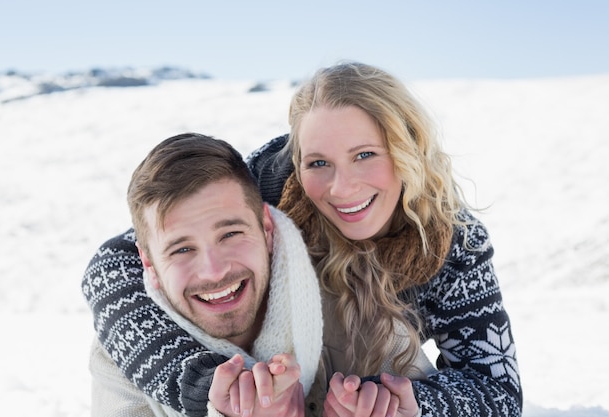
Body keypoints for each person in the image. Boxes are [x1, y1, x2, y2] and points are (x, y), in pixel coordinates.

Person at [83, 61, 522, 417]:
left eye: (365, 155)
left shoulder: (450, 241)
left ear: (408, 147)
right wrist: (207, 386)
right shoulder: (272, 186)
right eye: (318, 163)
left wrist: (414, 404)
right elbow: (115, 267)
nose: (342, 187)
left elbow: (496, 391)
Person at [85, 132, 424, 417]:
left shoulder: (360, 309)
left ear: (266, 228)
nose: (214, 270)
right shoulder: (123, 361)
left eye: (230, 234)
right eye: (181, 250)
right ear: (148, 263)